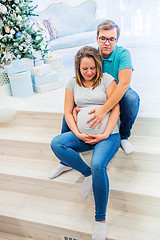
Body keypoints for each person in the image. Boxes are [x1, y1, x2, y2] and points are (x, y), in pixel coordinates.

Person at [49, 46, 121, 240]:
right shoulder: (71, 83)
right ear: (77, 68)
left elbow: (116, 110)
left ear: (97, 66)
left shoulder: (107, 79)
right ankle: (86, 173)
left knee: (99, 165)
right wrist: (79, 134)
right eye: (84, 69)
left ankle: (100, 221)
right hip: (85, 136)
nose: (89, 72)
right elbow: (67, 112)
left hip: (108, 136)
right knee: (57, 143)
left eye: (92, 68)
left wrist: (105, 133)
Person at [61, 20, 140, 155]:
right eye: (103, 38)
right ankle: (66, 148)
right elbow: (82, 79)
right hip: (101, 96)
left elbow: (124, 84)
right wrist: (75, 105)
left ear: (117, 40)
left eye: (111, 39)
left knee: (131, 98)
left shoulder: (123, 54)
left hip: (119, 96)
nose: (107, 43)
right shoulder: (93, 55)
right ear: (97, 39)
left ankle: (123, 137)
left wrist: (104, 110)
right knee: (68, 113)